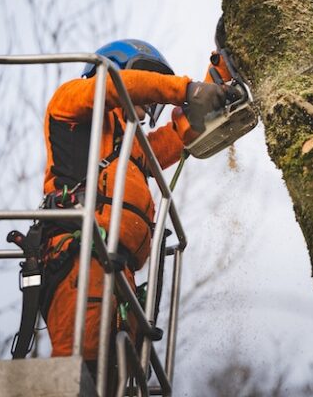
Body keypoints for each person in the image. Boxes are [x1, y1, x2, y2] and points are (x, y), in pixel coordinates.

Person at [39, 39, 226, 376]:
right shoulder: (71, 102)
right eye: (147, 89)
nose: (149, 103)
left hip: (119, 271)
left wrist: (219, 74)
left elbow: (181, 132)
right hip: (80, 255)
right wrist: (182, 88)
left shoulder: (131, 148)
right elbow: (115, 88)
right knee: (80, 365)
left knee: (119, 374)